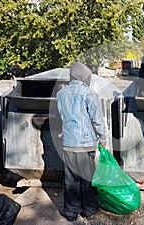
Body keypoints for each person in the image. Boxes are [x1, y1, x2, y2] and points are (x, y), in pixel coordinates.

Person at [56, 62, 106, 222]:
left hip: (68, 144)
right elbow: (97, 119)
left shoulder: (61, 94)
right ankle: (89, 210)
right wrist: (103, 139)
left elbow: (60, 116)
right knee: (87, 179)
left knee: (70, 179)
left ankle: (71, 212)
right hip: (85, 145)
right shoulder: (89, 94)